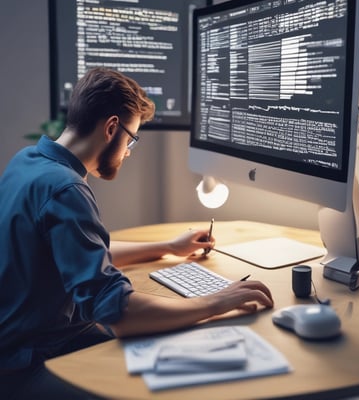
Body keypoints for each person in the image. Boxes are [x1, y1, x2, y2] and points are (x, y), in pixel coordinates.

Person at [0, 67, 274, 399]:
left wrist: (169, 246)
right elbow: (119, 313)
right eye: (132, 138)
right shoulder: (65, 188)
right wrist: (217, 301)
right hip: (24, 364)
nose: (128, 151)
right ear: (112, 127)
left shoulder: (29, 161)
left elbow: (80, 253)